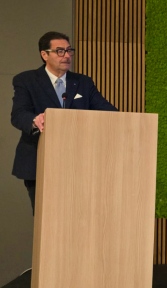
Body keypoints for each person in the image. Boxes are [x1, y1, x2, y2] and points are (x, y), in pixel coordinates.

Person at [11, 31, 118, 214]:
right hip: (40, 161)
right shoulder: (26, 80)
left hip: (81, 163)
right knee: (47, 219)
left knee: (79, 217)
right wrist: (35, 120)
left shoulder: (83, 82)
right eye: (60, 51)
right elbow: (19, 114)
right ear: (44, 54)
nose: (67, 56)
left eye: (69, 50)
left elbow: (109, 112)